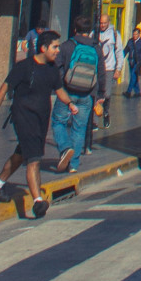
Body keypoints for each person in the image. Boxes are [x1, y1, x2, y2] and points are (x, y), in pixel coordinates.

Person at [0, 29, 78, 216]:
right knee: (34, 159)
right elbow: (4, 89)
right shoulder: (24, 67)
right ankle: (37, 202)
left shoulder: (52, 70)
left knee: (21, 154)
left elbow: (59, 90)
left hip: (41, 118)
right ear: (43, 48)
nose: (57, 50)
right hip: (23, 116)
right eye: (55, 47)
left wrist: (70, 104)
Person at [52, 15, 98, 173]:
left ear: (75, 30)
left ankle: (65, 148)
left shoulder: (65, 46)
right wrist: (99, 96)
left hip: (66, 92)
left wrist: (58, 86)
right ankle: (74, 165)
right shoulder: (96, 47)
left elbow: (56, 67)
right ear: (90, 31)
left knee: (58, 122)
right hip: (86, 95)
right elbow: (102, 73)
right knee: (79, 129)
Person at [96, 12, 124, 126]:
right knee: (96, 94)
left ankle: (106, 112)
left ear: (109, 22)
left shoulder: (114, 34)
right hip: (97, 68)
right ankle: (95, 120)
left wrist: (118, 69)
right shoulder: (95, 33)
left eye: (104, 23)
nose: (102, 25)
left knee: (106, 94)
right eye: (101, 23)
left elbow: (119, 52)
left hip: (109, 68)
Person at [124, 27, 141, 97]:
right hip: (131, 61)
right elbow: (126, 50)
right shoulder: (130, 41)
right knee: (134, 77)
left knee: (133, 77)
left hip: (138, 63)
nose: (134, 36)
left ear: (139, 34)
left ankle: (128, 92)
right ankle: (137, 92)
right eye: (133, 34)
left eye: (136, 34)